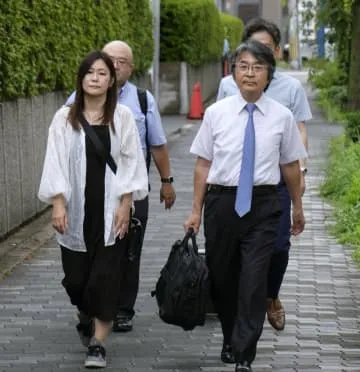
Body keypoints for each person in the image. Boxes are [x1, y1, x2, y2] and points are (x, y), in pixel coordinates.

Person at [184, 40, 307, 372]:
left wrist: (297, 206)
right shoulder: (216, 113)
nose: (249, 73)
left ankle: (245, 353)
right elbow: (202, 164)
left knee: (254, 280)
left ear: (269, 75)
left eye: (258, 67)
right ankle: (230, 336)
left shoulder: (282, 117)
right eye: (243, 66)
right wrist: (195, 210)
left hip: (264, 204)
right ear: (233, 71)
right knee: (223, 278)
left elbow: (291, 166)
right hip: (222, 202)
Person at [38, 50, 148, 369]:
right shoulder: (64, 118)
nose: (96, 78)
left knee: (105, 279)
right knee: (76, 281)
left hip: (111, 212)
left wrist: (127, 204)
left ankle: (98, 343)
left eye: (102, 73)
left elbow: (131, 162)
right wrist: (58, 203)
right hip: (76, 213)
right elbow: (54, 162)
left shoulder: (123, 117)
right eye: (90, 73)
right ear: (81, 79)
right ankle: (85, 312)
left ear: (112, 80)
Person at [66, 40, 176, 333]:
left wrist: (166, 182)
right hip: (88, 188)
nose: (114, 65)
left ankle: (123, 308)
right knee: (89, 248)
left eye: (121, 61)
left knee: (129, 248)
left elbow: (157, 144)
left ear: (130, 68)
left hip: (132, 186)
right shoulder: (76, 99)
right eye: (108, 59)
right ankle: (90, 305)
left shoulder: (142, 100)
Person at [216, 18, 312, 333]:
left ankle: (270, 296)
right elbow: (219, 128)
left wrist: (301, 168)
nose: (255, 63)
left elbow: (299, 129)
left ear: (275, 53)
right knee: (237, 251)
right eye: (252, 52)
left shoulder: (290, 87)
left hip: (277, 179)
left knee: (280, 246)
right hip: (236, 180)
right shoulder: (229, 84)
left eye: (267, 49)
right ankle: (244, 302)